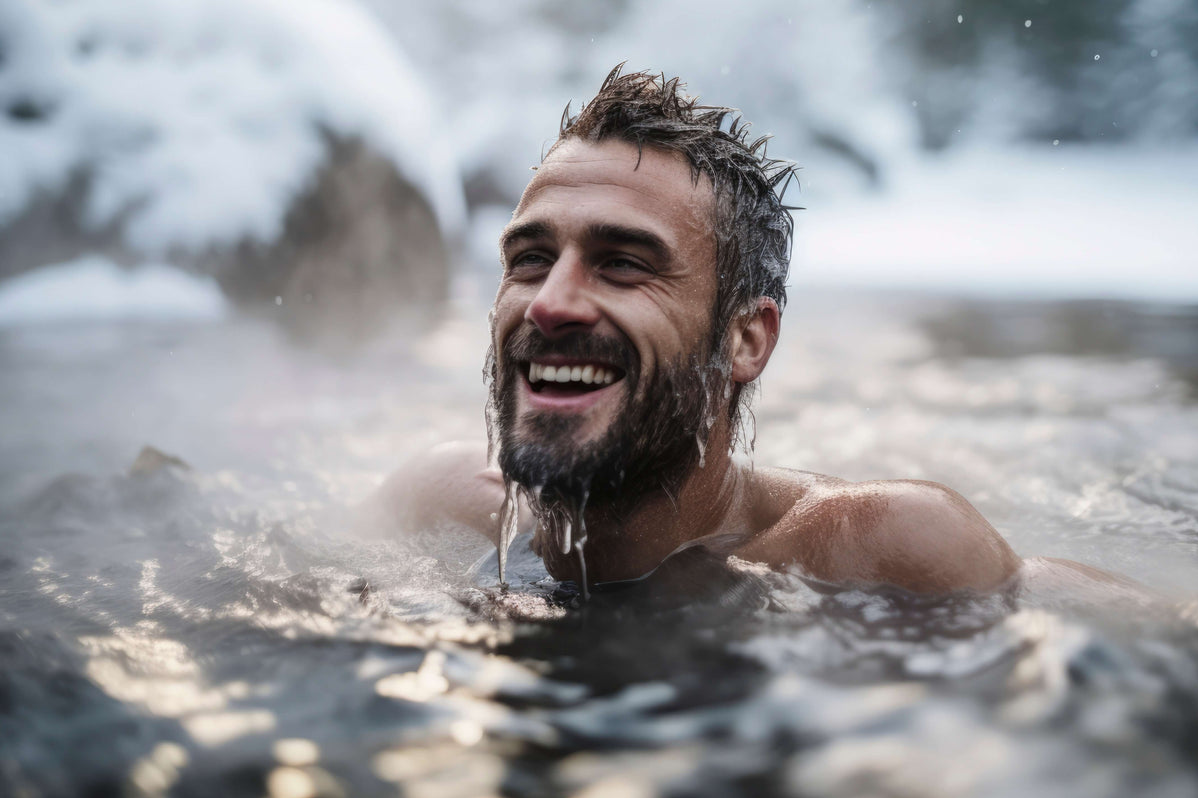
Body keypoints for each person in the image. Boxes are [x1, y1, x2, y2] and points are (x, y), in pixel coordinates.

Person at [378, 65, 1022, 596]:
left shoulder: (876, 547)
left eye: (623, 264)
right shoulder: (441, 506)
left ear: (746, 340)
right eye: (530, 260)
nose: (549, 303)